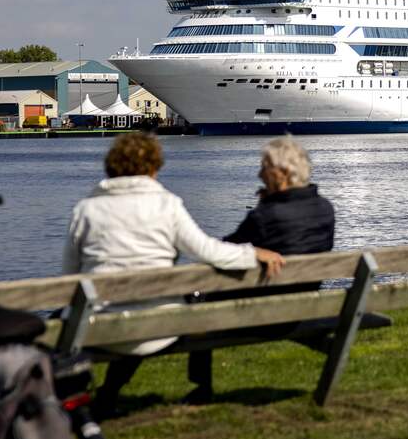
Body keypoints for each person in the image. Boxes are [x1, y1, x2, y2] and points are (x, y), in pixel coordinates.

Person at [64, 132, 285, 416]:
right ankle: (201, 389)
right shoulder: (167, 205)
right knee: (193, 310)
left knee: (121, 313)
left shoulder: (85, 210)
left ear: (111, 167)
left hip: (100, 328)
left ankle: (98, 397)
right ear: (155, 168)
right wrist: (251, 252)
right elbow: (208, 251)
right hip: (160, 327)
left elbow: (69, 276)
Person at [185, 135, 335, 403]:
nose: (259, 173)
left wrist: (264, 208)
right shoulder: (325, 209)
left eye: (265, 167)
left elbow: (222, 252)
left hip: (265, 314)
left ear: (283, 173)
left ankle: (201, 388)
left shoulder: (265, 217)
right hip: (305, 307)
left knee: (200, 299)